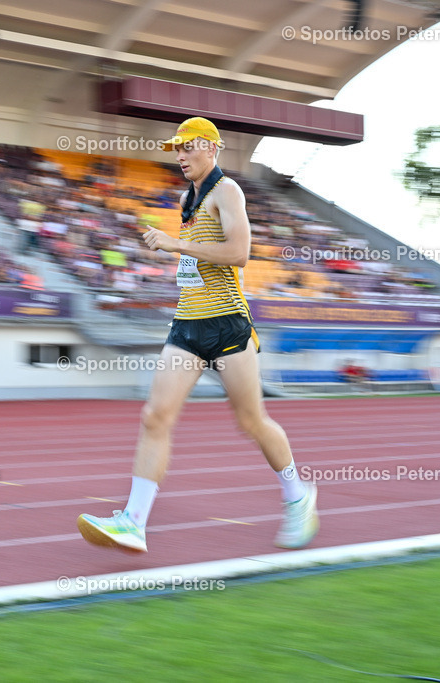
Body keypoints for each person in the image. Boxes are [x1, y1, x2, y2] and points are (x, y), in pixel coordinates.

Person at [77, 117, 318, 552]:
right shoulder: (189, 197)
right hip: (187, 325)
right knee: (155, 415)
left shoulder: (228, 191)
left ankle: (297, 496)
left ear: (210, 146)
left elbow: (239, 254)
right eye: (176, 149)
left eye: (187, 147)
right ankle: (133, 521)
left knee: (251, 422)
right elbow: (196, 268)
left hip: (227, 326)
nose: (180, 155)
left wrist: (177, 245)